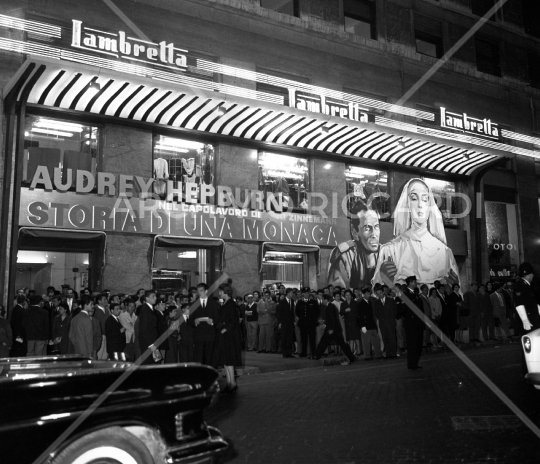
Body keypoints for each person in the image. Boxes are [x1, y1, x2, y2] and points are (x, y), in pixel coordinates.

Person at [372, 178, 460, 287]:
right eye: (414, 198)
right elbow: (375, 294)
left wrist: (454, 286)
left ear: (429, 204)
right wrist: (382, 279)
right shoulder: (391, 250)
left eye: (424, 199)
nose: (420, 204)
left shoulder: (445, 253)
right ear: (407, 203)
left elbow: (457, 294)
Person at [328, 208, 380, 289]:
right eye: (367, 228)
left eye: (376, 227)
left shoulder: (386, 253)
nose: (374, 234)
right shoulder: (344, 254)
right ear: (354, 232)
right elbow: (339, 290)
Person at [211, 285, 242, 392]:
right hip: (224, 335)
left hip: (229, 336)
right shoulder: (226, 303)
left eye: (220, 291)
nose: (219, 293)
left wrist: (224, 330)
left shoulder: (230, 304)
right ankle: (230, 382)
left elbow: (232, 321)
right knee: (226, 360)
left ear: (224, 292)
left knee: (229, 360)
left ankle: (232, 383)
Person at [313, 294, 356, 364]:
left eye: (323, 299)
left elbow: (333, 319)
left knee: (325, 342)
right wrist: (326, 325)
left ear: (326, 299)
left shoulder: (330, 307)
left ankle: (316, 355)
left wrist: (330, 328)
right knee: (338, 343)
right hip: (334, 328)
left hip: (333, 329)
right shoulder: (331, 306)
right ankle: (351, 357)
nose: (322, 301)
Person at [190, 283, 218, 365]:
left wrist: (212, 321)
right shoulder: (194, 304)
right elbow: (189, 320)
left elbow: (217, 318)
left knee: (209, 357)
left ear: (206, 291)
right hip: (198, 335)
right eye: (198, 291)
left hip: (210, 334)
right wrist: (194, 321)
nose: (199, 293)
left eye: (201, 291)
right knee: (198, 358)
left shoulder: (213, 303)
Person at [402, 276, 424, 370]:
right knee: (412, 345)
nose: (416, 283)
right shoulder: (405, 294)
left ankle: (415, 362)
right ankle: (412, 364)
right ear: (410, 282)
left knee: (418, 344)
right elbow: (402, 309)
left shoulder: (415, 293)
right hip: (411, 324)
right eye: (415, 282)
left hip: (417, 323)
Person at [357, 286, 382, 361]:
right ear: (363, 294)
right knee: (366, 342)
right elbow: (359, 315)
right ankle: (367, 356)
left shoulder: (370, 302)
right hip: (365, 325)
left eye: (369, 293)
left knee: (376, 340)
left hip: (371, 324)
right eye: (367, 293)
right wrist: (362, 326)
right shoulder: (360, 303)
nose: (369, 295)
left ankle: (378, 354)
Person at [373, 285, 398, 358]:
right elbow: (376, 314)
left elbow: (395, 311)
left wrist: (390, 318)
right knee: (385, 338)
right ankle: (388, 353)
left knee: (392, 338)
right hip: (382, 323)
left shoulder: (390, 300)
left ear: (383, 292)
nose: (379, 295)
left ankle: (393, 353)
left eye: (380, 293)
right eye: (378, 294)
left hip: (390, 322)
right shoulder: (376, 303)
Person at [138, 290, 161, 364]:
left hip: (152, 340)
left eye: (156, 296)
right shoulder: (145, 309)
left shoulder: (151, 308)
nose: (155, 298)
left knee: (155, 362)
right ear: (147, 298)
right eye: (153, 296)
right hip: (148, 343)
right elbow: (143, 329)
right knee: (149, 364)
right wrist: (150, 344)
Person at [295, 287, 319, 358]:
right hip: (303, 323)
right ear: (302, 294)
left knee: (312, 339)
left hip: (311, 323)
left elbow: (317, 312)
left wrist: (312, 319)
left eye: (308, 293)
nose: (306, 294)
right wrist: (302, 318)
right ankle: (304, 352)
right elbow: (297, 312)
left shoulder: (313, 302)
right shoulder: (300, 302)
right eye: (305, 293)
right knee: (303, 339)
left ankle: (313, 352)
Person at [276, 288, 296, 358]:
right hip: (284, 322)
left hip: (290, 323)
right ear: (287, 293)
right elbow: (279, 313)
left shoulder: (292, 301)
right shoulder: (282, 302)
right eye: (291, 293)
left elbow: (292, 313)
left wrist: (293, 321)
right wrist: (280, 322)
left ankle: (289, 353)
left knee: (289, 338)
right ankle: (284, 353)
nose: (292, 294)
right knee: (284, 338)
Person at [340, 289, 361, 356]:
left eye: (349, 295)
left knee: (356, 336)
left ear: (351, 296)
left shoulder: (355, 303)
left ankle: (359, 350)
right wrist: (345, 310)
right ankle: (351, 350)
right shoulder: (343, 304)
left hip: (355, 321)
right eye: (346, 295)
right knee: (350, 337)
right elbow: (341, 312)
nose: (348, 296)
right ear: (344, 296)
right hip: (347, 322)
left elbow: (358, 312)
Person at [93, 294, 110, 360]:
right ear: (99, 301)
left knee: (105, 354)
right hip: (100, 335)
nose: (106, 301)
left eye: (106, 299)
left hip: (107, 334)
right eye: (104, 299)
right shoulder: (95, 310)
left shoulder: (107, 310)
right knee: (100, 353)